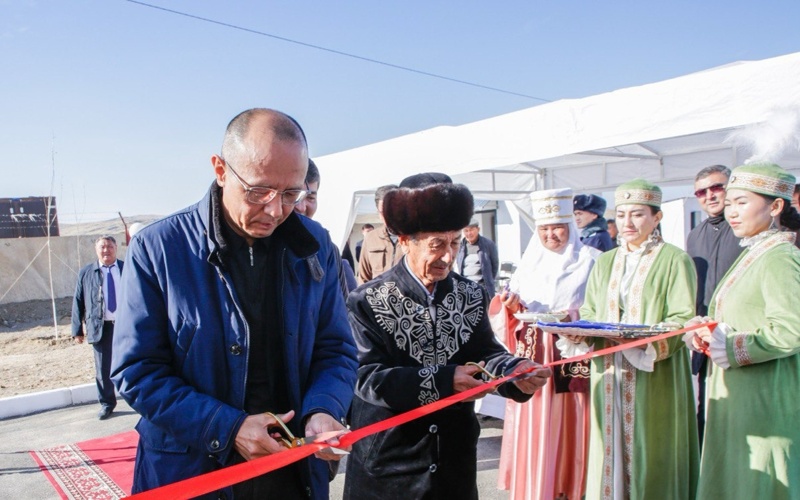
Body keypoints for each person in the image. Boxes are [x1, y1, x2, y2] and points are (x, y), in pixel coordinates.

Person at [111, 108, 358, 499]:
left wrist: (323, 409)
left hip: (292, 473)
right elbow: (136, 370)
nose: (275, 210)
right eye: (259, 192)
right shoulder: (159, 249)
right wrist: (228, 428)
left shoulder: (314, 247)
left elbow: (336, 350)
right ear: (221, 169)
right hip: (194, 472)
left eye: (292, 194)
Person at [343, 173, 552, 500]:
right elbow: (367, 377)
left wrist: (514, 371)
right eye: (436, 245)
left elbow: (486, 353)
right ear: (405, 241)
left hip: (454, 464)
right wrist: (444, 380)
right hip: (389, 465)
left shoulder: (471, 294)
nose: (447, 256)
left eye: (454, 242)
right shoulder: (368, 300)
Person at [562, 178, 699, 499]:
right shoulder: (606, 261)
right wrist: (578, 332)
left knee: (652, 447)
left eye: (637, 214)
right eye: (621, 215)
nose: (627, 222)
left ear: (657, 218)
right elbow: (592, 311)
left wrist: (645, 341)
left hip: (655, 371)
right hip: (609, 370)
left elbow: (682, 318)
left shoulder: (674, 259)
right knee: (608, 448)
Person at [685, 163, 800, 499]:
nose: (732, 212)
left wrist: (730, 345)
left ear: (775, 206)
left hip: (764, 400)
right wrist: (706, 329)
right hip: (739, 397)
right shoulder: (755, 252)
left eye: (742, 203)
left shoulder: (779, 257)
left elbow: (792, 329)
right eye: (730, 202)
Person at [494, 187, 600, 500]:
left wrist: (572, 318)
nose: (550, 235)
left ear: (570, 226)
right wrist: (513, 307)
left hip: (571, 350)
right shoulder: (528, 262)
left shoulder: (591, 260)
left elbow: (600, 308)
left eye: (557, 227)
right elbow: (514, 313)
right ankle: (535, 483)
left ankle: (571, 484)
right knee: (533, 414)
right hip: (533, 348)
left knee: (570, 419)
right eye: (544, 229)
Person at [685, 164, 742, 443]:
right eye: (701, 191)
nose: (709, 195)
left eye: (716, 187)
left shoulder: (748, 228)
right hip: (707, 339)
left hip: (740, 334)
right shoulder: (695, 236)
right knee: (706, 413)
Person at [72, 235, 123, 420]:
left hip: (126, 326)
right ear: (96, 250)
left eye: (109, 246)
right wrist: (77, 330)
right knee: (103, 369)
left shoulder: (128, 269)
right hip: (101, 327)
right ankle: (107, 403)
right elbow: (78, 302)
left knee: (134, 363)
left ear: (116, 248)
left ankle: (137, 400)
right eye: (102, 247)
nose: (106, 250)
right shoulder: (86, 273)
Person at [295, 158, 357, 293]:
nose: (301, 207)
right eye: (293, 195)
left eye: (310, 198)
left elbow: (343, 311)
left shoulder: (329, 253)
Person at [357, 185, 402, 284]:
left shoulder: (414, 238)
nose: (388, 216)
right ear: (378, 212)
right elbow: (363, 278)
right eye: (383, 212)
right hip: (377, 298)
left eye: (392, 211)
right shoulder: (371, 238)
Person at [456, 218, 499, 296]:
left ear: (478, 229)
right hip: (466, 287)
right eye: (466, 230)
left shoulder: (488, 244)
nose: (469, 233)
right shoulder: (460, 246)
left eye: (471, 230)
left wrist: (488, 281)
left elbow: (494, 266)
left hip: (483, 288)